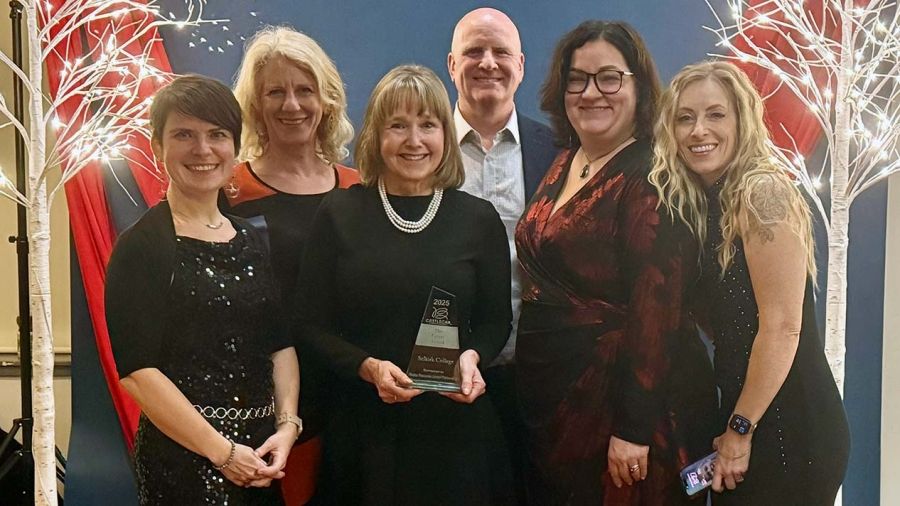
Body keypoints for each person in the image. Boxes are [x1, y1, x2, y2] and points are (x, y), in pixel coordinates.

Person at [514, 20, 717, 504]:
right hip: (558, 405)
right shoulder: (566, 160)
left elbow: (658, 312)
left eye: (609, 77)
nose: (591, 93)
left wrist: (634, 429)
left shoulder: (653, 176)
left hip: (626, 415)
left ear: (638, 86)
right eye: (577, 79)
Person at [295, 64, 513, 505]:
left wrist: (474, 358)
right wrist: (367, 367)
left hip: (455, 435)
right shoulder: (339, 215)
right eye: (398, 125)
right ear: (376, 136)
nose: (414, 141)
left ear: (445, 137)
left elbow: (495, 321)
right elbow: (308, 324)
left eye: (427, 125)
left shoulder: (478, 218)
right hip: (364, 431)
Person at [649, 60, 850, 505]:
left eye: (715, 114)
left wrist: (740, 429)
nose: (699, 130)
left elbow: (782, 327)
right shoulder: (705, 204)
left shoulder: (763, 192)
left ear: (742, 120)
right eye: (686, 118)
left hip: (791, 426)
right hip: (748, 415)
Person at [106, 75, 300, 505]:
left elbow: (280, 344)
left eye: (217, 135)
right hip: (186, 462)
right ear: (158, 147)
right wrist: (224, 453)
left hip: (263, 456)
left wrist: (286, 427)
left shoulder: (250, 238)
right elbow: (138, 373)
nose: (203, 149)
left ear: (234, 146)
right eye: (183, 135)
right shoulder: (141, 245)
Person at [228, 26, 358, 504]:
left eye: (305, 90)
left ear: (326, 100)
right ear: (256, 105)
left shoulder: (358, 189)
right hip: (265, 402)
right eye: (275, 92)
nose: (292, 105)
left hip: (350, 394)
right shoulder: (231, 191)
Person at [447, 9, 557, 502]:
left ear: (522, 65)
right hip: (445, 380)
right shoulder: (413, 150)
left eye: (501, 53)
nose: (487, 63)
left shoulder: (560, 149)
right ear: (452, 64)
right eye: (474, 51)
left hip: (540, 378)